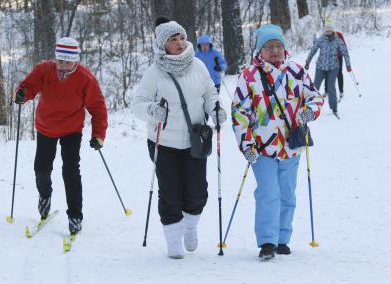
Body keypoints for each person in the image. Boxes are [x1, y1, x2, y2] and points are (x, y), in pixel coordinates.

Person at [132, 18, 227, 259]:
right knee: (170, 192)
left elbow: (209, 93)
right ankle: (173, 240)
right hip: (163, 142)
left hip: (195, 140)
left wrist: (215, 108)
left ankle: (190, 227)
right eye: (173, 40)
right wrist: (153, 110)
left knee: (197, 192)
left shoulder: (197, 66)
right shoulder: (154, 72)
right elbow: (138, 105)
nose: (179, 43)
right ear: (162, 45)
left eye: (182, 38)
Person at [231, 24, 324, 259]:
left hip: (292, 146)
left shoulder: (296, 72)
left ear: (284, 48)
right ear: (260, 51)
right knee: (267, 193)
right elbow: (239, 114)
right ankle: (267, 241)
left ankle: (283, 239)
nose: (275, 51)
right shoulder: (248, 76)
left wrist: (307, 113)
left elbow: (315, 98)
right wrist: (247, 145)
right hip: (262, 149)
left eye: (278, 46)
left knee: (287, 194)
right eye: (269, 47)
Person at [13, 37, 108, 234]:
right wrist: (22, 93)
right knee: (41, 168)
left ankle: (75, 215)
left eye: (68, 61)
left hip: (72, 129)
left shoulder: (85, 78)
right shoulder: (44, 70)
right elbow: (28, 86)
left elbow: (98, 108)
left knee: (71, 171)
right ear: (55, 59)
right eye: (60, 61)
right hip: (46, 126)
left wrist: (98, 134)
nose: (63, 66)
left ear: (76, 60)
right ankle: (45, 195)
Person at [305, 19, 351, 116]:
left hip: (333, 67)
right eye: (326, 30)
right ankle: (311, 108)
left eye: (329, 30)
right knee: (315, 87)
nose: (328, 32)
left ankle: (334, 108)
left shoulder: (338, 40)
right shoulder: (321, 39)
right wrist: (307, 61)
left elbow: (345, 52)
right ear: (324, 31)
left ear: (333, 31)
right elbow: (313, 50)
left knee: (331, 87)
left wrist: (348, 65)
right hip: (320, 67)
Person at [324, 30, 348, 101]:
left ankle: (341, 91)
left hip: (338, 57)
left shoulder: (339, 34)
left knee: (339, 73)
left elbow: (344, 45)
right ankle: (327, 91)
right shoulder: (324, 35)